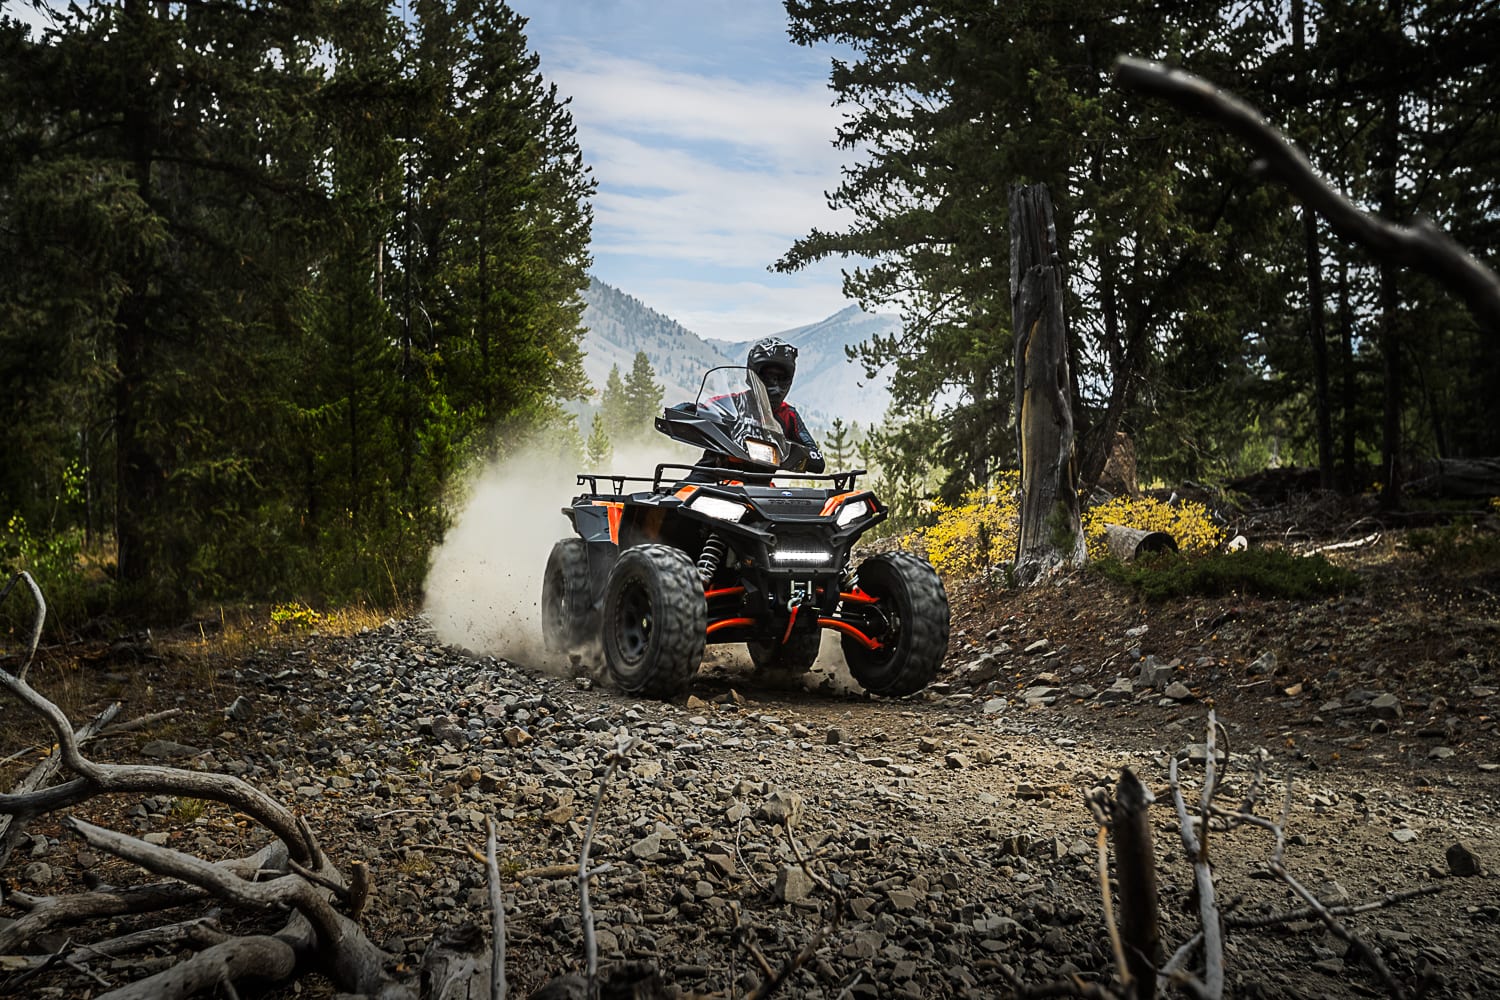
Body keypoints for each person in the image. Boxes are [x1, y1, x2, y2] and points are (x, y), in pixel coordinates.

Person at [745, 337, 824, 474]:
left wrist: (781, 451)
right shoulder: (732, 402)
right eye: (769, 377)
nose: (776, 388)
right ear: (754, 376)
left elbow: (817, 461)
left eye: (782, 379)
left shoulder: (788, 414)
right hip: (711, 475)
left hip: (758, 486)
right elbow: (702, 411)